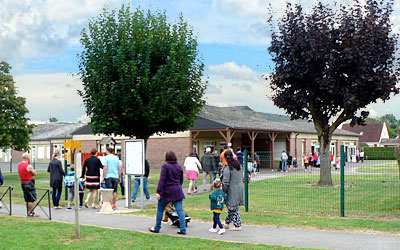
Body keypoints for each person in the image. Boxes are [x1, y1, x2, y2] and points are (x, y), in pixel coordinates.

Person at [149, 151, 186, 235]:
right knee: (180, 210)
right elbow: (181, 180)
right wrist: (178, 186)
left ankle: (157, 228)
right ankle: (183, 229)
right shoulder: (179, 167)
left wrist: (159, 191)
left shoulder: (165, 166)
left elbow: (162, 180)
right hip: (177, 190)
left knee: (160, 210)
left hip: (166, 192)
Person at [222, 150, 244, 231]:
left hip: (232, 189)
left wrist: (223, 191)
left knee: (233, 207)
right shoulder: (238, 165)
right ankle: (227, 223)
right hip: (240, 187)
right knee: (231, 206)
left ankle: (238, 225)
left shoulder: (227, 168)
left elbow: (226, 182)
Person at [18, 152, 38, 217]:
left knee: (26, 198)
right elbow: (35, 173)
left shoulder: (19, 164)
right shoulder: (28, 166)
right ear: (27, 158)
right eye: (30, 156)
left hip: (22, 182)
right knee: (31, 198)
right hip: (29, 182)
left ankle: (29, 211)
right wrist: (32, 172)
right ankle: (32, 212)